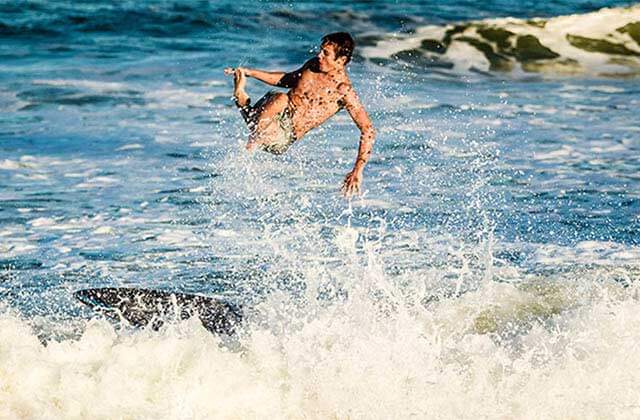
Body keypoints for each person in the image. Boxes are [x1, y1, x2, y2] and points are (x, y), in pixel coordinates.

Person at [224, 32, 375, 196]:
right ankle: (247, 112)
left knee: (279, 100)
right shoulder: (312, 66)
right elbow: (285, 80)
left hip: (284, 136)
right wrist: (250, 72)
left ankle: (247, 113)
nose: (319, 56)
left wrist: (358, 170)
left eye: (325, 53)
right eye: (320, 50)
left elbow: (368, 130)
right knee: (279, 99)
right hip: (271, 115)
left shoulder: (344, 91)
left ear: (341, 60)